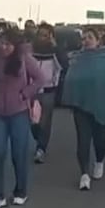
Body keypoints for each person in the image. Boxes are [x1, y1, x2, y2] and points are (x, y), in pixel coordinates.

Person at [61, 28, 105, 191]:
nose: (86, 41)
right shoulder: (77, 59)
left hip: (103, 105)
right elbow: (70, 80)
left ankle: (99, 160)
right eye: (83, 38)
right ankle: (84, 174)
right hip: (81, 107)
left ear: (98, 40)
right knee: (82, 140)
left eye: (90, 37)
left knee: (101, 139)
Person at [0, 28, 45, 208]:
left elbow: (40, 78)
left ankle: (20, 191)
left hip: (19, 112)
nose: (4, 47)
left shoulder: (24, 58)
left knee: (18, 153)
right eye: (2, 43)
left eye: (8, 44)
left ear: (15, 45)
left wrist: (25, 94)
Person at [30, 22, 69, 163]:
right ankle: (37, 137)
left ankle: (41, 148)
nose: (42, 38)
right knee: (33, 121)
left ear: (51, 36)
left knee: (45, 122)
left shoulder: (55, 52)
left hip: (48, 90)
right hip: (32, 90)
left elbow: (64, 65)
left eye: (46, 35)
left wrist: (56, 48)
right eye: (40, 35)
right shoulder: (31, 50)